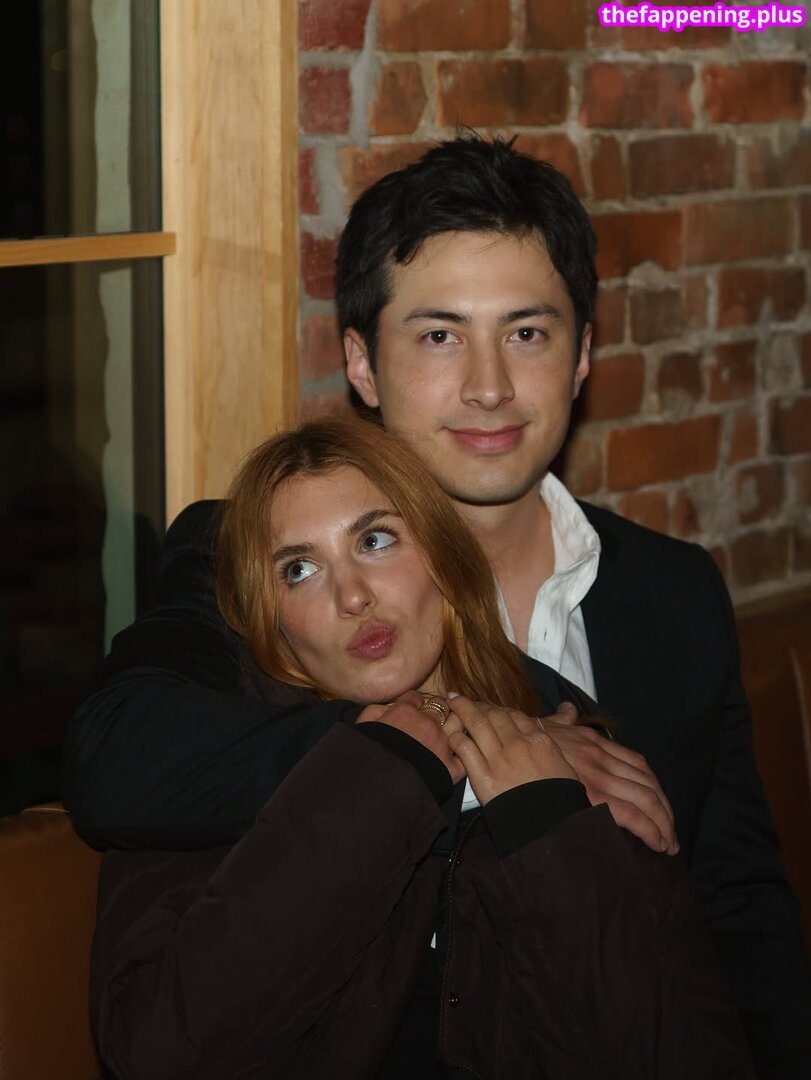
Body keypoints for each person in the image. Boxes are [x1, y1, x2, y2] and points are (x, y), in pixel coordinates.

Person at [64, 134, 811, 1076]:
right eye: (438, 335)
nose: (489, 386)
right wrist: (470, 742)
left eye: (527, 333)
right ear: (362, 365)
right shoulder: (261, 560)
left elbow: (735, 916)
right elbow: (116, 760)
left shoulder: (672, 594)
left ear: (582, 354)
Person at [91, 418, 754, 1079]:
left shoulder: (566, 741)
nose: (353, 596)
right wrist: (393, 766)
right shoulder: (219, 765)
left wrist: (541, 821)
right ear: (274, 619)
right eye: (299, 570)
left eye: (375, 540)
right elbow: (161, 1052)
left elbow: (677, 1051)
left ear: (442, 553)